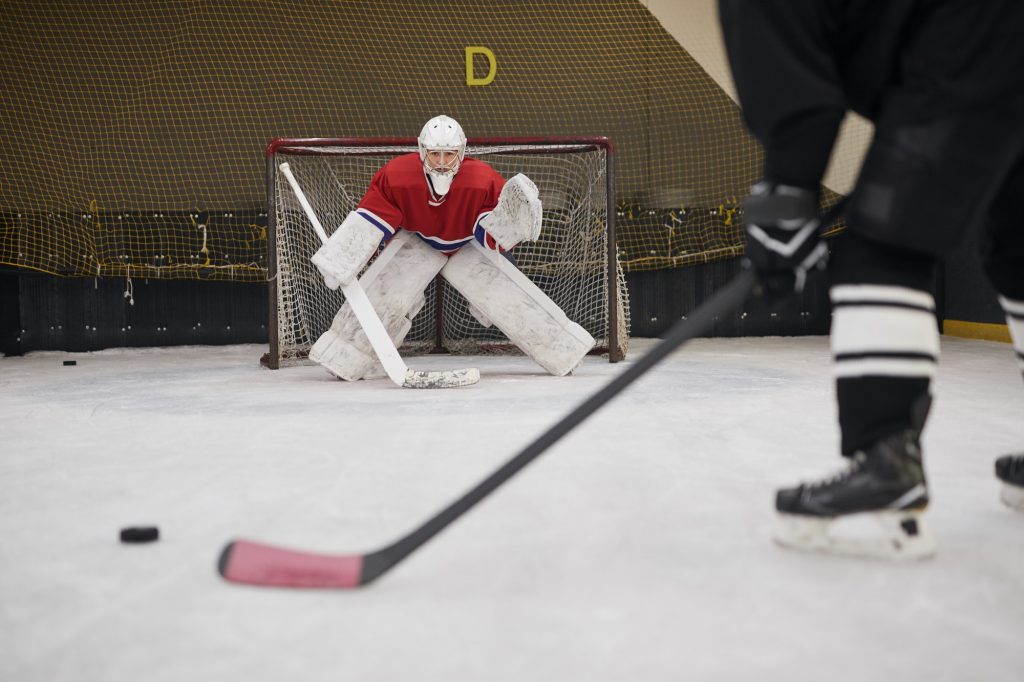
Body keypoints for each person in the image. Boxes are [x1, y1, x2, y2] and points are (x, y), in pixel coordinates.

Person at [718, 0, 1024, 558]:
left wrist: (788, 189)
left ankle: (886, 465)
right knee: (1017, 247)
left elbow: (798, 96)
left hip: (971, 44)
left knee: (882, 247)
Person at [307, 115, 595, 382]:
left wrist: (512, 225)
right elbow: (370, 222)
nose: (442, 162)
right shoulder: (397, 175)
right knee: (384, 294)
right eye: (435, 154)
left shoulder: (482, 179)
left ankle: (564, 351)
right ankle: (343, 355)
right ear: (422, 151)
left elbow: (491, 238)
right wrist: (343, 258)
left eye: (449, 154)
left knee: (510, 299)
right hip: (417, 241)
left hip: (466, 244)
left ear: (462, 151)